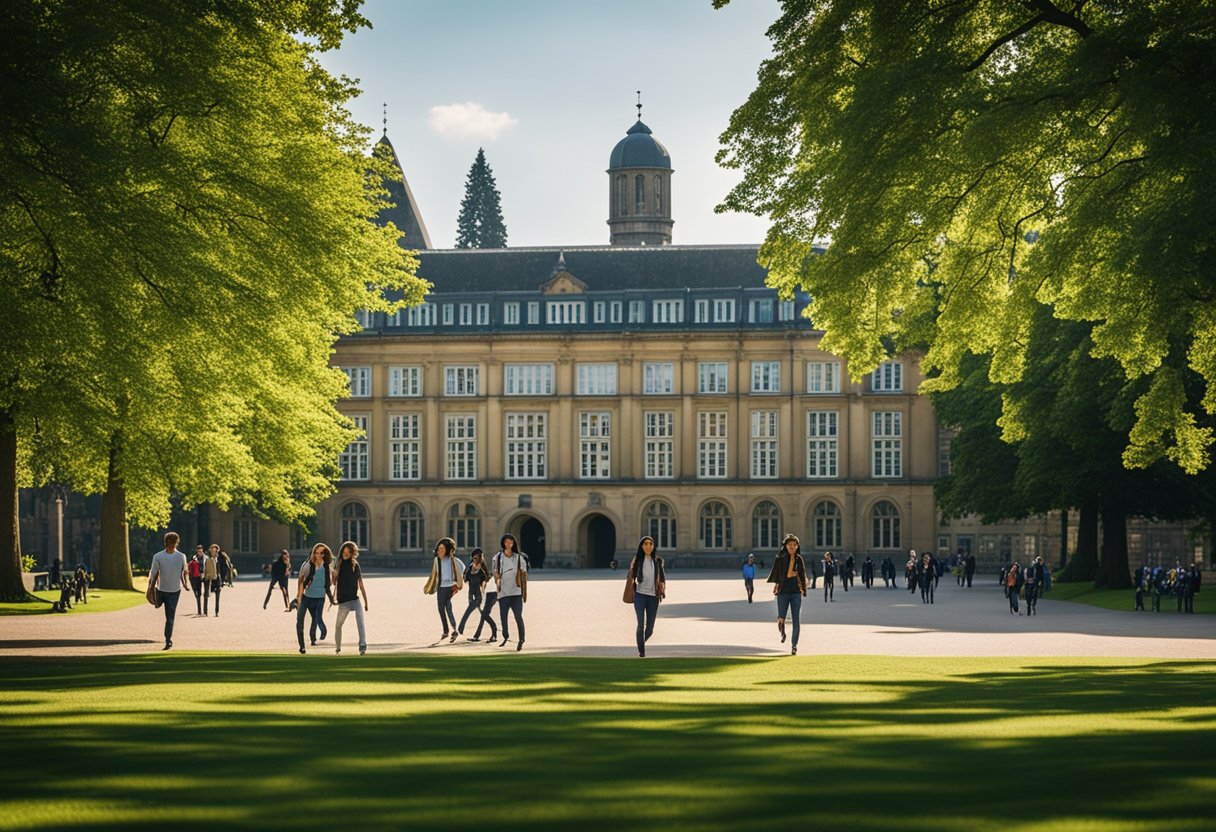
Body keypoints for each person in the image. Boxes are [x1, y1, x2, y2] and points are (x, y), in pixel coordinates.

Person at [767, 533, 807, 655]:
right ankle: (783, 633)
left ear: (797, 546)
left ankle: (794, 645)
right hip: (783, 593)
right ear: (786, 546)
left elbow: (802, 575)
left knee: (796, 620)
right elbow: (776, 574)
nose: (792, 547)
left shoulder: (799, 559)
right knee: (781, 618)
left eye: (794, 545)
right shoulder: (780, 558)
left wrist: (804, 589)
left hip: (795, 593)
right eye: (790, 544)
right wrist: (777, 584)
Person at [148, 532, 189, 650]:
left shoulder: (181, 556)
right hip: (161, 589)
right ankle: (157, 602)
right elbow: (153, 573)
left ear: (176, 543)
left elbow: (184, 571)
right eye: (170, 542)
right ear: (166, 543)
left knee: (170, 617)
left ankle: (168, 640)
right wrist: (150, 587)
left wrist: (185, 583)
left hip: (174, 591)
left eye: (173, 542)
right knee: (162, 609)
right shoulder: (158, 556)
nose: (172, 545)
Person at [628, 535, 666, 657]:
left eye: (650, 544)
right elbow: (631, 575)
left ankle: (641, 643)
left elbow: (662, 579)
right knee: (640, 624)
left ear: (653, 546)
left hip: (653, 597)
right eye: (645, 544)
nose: (648, 546)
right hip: (640, 595)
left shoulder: (658, 561)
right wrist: (631, 579)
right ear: (642, 546)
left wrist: (662, 590)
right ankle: (641, 651)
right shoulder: (638, 560)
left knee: (649, 629)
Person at [423, 537, 464, 643]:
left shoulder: (452, 560)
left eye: (441, 548)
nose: (439, 551)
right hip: (441, 587)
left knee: (447, 606)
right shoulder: (437, 560)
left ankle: (453, 630)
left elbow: (462, 569)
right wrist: (430, 586)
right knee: (441, 608)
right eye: (438, 549)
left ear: (447, 549)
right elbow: (434, 574)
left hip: (450, 586)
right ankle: (447, 630)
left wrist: (456, 584)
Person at [296, 543, 335, 653]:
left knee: (317, 618)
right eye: (316, 553)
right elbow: (300, 582)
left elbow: (329, 584)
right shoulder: (307, 566)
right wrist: (298, 597)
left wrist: (332, 599)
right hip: (306, 598)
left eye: (321, 553)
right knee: (300, 621)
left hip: (319, 598)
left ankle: (314, 638)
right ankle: (302, 646)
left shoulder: (327, 568)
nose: (318, 555)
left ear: (325, 554)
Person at [332, 540, 368, 655]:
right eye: (344, 552)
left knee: (361, 623)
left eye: (348, 552)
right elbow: (334, 582)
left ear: (352, 553)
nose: (346, 554)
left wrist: (366, 602)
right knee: (338, 625)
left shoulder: (355, 565)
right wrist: (335, 573)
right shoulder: (338, 564)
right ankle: (338, 647)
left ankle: (362, 645)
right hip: (343, 602)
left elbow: (361, 584)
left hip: (355, 600)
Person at [493, 533, 528, 651]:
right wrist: (497, 581)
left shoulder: (518, 557)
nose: (508, 544)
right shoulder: (497, 557)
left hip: (516, 592)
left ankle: (521, 639)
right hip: (503, 593)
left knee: (518, 616)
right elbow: (495, 571)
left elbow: (524, 573)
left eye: (511, 542)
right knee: (503, 617)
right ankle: (506, 636)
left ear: (514, 544)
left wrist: (524, 586)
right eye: (506, 542)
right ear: (503, 543)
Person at [458, 548, 490, 638]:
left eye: (476, 557)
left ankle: (460, 629)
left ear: (480, 557)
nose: (474, 559)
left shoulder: (482, 569)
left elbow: (485, 581)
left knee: (468, 611)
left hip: (479, 595)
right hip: (471, 594)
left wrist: (483, 590)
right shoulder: (470, 567)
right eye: (473, 558)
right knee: (484, 614)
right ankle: (493, 627)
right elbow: (466, 578)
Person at [202, 544, 222, 616]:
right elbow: (204, 568)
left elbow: (221, 569)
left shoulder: (219, 558)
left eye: (215, 550)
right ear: (210, 550)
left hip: (217, 579)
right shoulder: (206, 558)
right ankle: (205, 612)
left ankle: (216, 612)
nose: (213, 551)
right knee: (206, 595)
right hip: (208, 578)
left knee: (217, 595)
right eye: (212, 549)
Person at [188, 545, 204, 615]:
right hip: (193, 577)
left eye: (201, 551)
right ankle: (199, 608)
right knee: (196, 592)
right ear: (196, 551)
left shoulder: (205, 558)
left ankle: (199, 610)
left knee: (199, 594)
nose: (200, 552)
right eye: (198, 551)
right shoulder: (193, 558)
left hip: (200, 577)